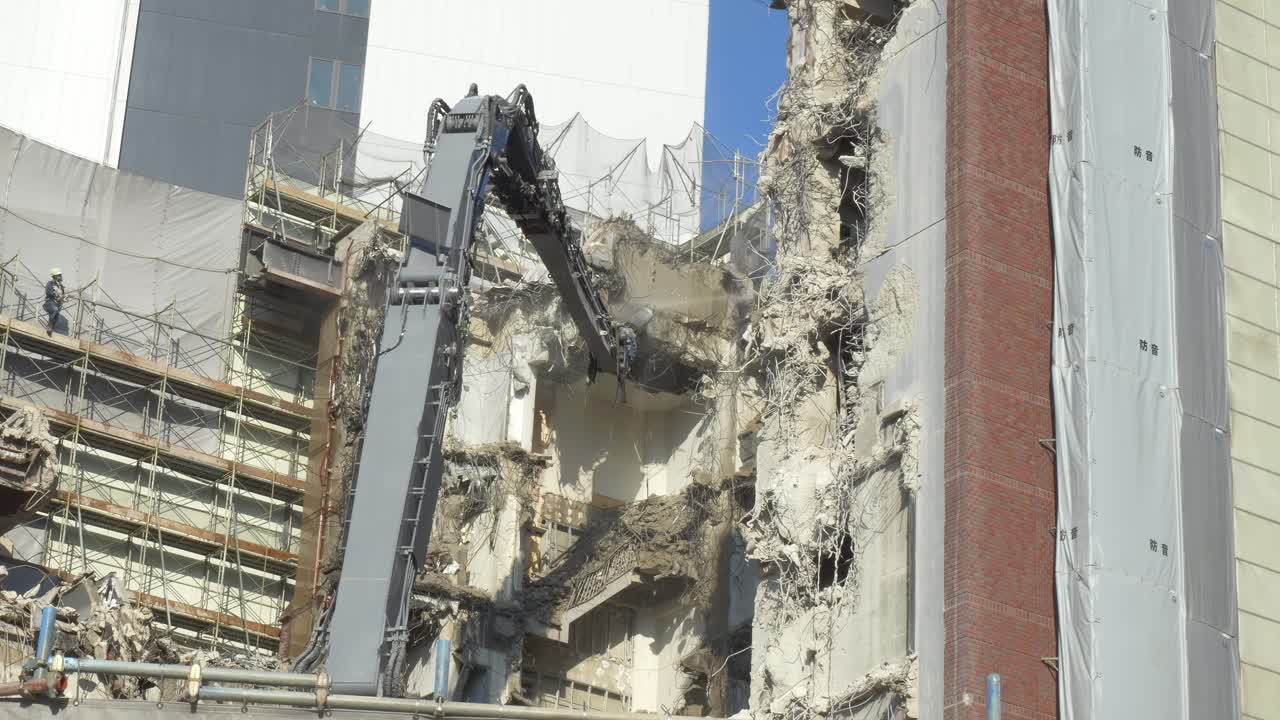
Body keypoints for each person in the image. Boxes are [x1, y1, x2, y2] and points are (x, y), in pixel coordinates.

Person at [44, 268, 65, 336]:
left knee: (56, 316)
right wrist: (56, 295)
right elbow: (48, 292)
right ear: (54, 276)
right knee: (54, 310)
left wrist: (63, 298)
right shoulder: (50, 283)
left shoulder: (61, 286)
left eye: (60, 275)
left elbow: (63, 295)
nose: (60, 276)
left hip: (57, 304)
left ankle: (51, 329)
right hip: (50, 302)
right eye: (58, 275)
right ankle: (49, 326)